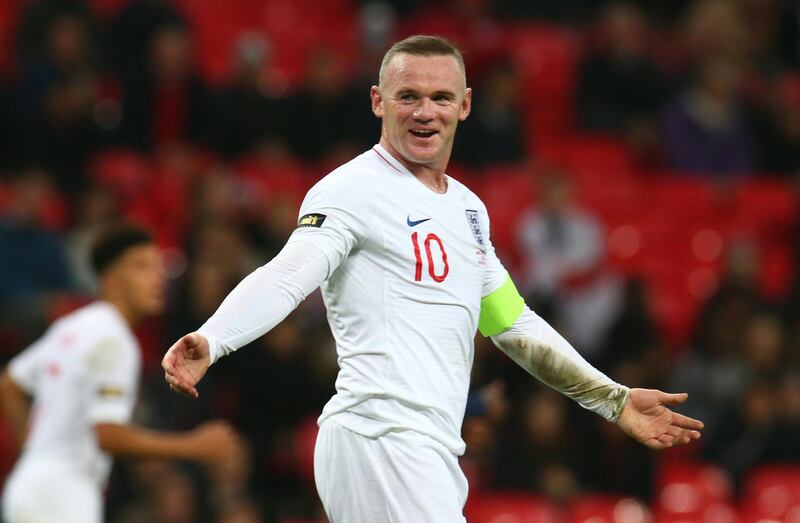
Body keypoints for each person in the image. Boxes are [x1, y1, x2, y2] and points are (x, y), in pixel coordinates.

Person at [163, 35, 704, 523]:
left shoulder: (468, 210)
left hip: (427, 449)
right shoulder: (351, 189)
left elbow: (512, 324)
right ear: (378, 101)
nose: (426, 113)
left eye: (441, 98)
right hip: (380, 437)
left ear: (465, 106)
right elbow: (287, 273)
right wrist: (215, 338)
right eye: (408, 97)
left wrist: (612, 399)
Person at [0, 224, 243, 523]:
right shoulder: (114, 340)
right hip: (62, 496)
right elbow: (106, 434)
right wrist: (193, 446)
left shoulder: (75, 325)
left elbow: (9, 384)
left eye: (159, 267)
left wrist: (36, 456)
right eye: (142, 267)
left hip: (29, 487)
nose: (158, 277)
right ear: (111, 279)